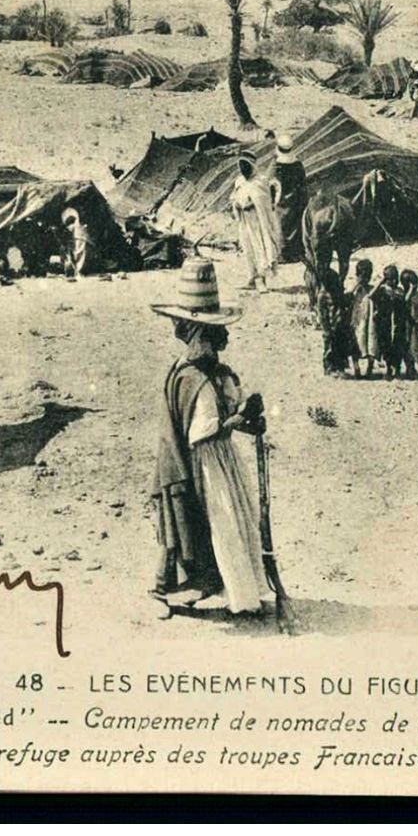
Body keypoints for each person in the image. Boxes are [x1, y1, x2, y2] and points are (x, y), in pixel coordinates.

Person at [149, 257, 275, 615]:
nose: (214, 346)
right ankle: (164, 591)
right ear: (194, 335)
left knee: (221, 523)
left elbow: (228, 412)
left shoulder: (214, 373)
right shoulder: (192, 378)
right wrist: (238, 418)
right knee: (198, 524)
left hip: (216, 462)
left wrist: (249, 419)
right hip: (199, 461)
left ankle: (216, 588)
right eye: (207, 338)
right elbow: (203, 432)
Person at [228, 154, 281, 289]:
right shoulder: (239, 181)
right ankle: (252, 278)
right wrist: (236, 205)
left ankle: (261, 280)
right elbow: (234, 197)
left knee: (259, 248)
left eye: (246, 166)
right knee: (247, 249)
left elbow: (263, 202)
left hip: (257, 221)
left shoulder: (260, 181)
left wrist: (250, 204)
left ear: (252, 166)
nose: (243, 169)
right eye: (241, 166)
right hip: (244, 220)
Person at [270, 134, 309, 264]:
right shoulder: (297, 165)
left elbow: (270, 183)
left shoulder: (276, 166)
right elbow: (303, 183)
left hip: (280, 201)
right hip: (296, 200)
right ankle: (295, 253)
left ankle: (282, 254)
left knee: (280, 227)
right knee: (295, 226)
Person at [371, 262, 407, 378]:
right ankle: (388, 368)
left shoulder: (399, 291)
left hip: (398, 323)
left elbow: (405, 303)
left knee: (398, 344)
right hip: (384, 323)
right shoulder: (382, 290)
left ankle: (396, 368)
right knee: (385, 345)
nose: (393, 282)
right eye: (389, 279)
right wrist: (381, 282)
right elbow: (371, 296)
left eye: (395, 279)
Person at [349, 258, 377, 377]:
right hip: (358, 320)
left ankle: (370, 368)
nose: (366, 279)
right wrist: (356, 285)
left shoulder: (372, 289)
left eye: (368, 276)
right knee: (356, 342)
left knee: (371, 342)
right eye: (363, 276)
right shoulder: (354, 289)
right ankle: (356, 368)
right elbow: (348, 297)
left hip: (370, 321)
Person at [62, 207, 95, 277]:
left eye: (71, 222)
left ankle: (77, 270)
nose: (70, 226)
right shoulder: (77, 230)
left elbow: (78, 251)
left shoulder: (78, 231)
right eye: (68, 223)